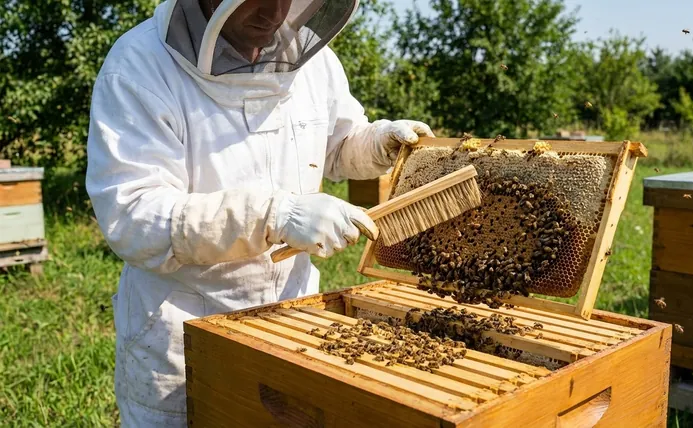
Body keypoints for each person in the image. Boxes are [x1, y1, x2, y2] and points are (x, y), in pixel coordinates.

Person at [85, 0, 434, 425]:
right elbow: (135, 216)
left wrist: (377, 142)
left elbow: (338, 144)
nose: (274, 12)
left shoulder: (315, 63)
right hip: (185, 323)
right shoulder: (140, 66)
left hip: (293, 315)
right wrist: (272, 215)